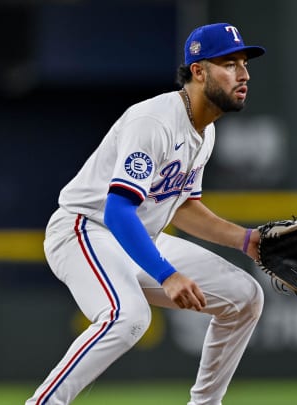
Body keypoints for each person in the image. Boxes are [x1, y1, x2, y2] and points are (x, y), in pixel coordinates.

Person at [26, 23, 267, 405]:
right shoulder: (154, 121)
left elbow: (184, 207)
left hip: (137, 238)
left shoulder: (205, 131)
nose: (244, 73)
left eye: (244, 63)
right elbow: (119, 210)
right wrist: (166, 274)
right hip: (86, 230)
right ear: (198, 71)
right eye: (229, 63)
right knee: (128, 317)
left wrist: (247, 240)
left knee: (245, 297)